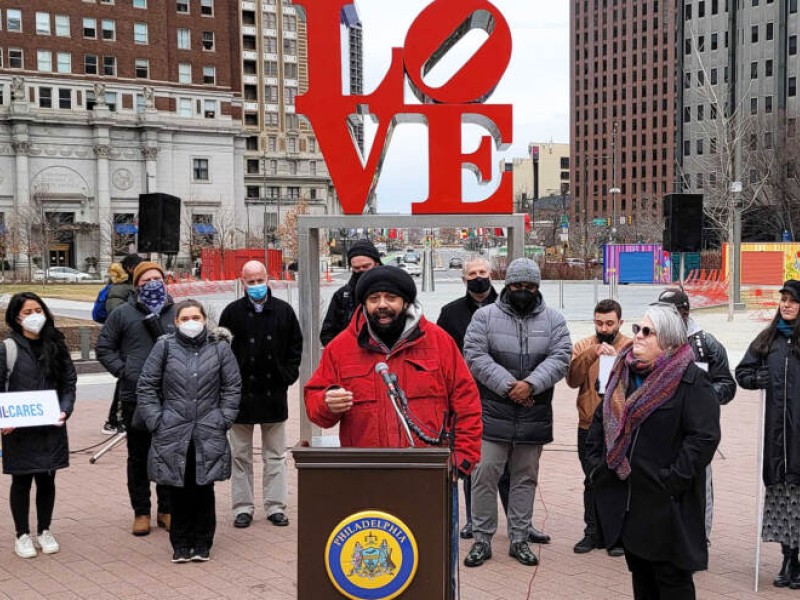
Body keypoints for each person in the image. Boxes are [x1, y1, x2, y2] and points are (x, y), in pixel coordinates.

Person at [304, 265, 482, 596]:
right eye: (373, 299)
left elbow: (467, 404)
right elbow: (315, 404)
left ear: (406, 302)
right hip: (365, 478)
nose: (382, 305)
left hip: (430, 479)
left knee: (436, 565)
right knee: (375, 574)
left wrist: (462, 461)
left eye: (391, 298)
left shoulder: (439, 343)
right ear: (363, 304)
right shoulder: (341, 348)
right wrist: (327, 402)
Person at [587, 304, 720, 599]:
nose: (638, 337)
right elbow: (601, 424)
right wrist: (598, 467)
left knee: (672, 582)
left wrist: (672, 479)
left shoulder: (690, 380)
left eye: (648, 332)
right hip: (631, 504)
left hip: (668, 504)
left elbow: (704, 438)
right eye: (637, 329)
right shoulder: (623, 372)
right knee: (642, 580)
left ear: (669, 341)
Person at [463, 258, 572, 567]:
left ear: (537, 288)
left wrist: (532, 385)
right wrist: (510, 385)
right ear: (507, 286)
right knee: (484, 474)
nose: (523, 291)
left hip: (533, 411)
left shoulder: (554, 319)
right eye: (517, 286)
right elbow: (473, 354)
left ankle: (520, 539)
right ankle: (482, 539)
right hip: (493, 410)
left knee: (525, 478)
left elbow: (561, 356)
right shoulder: (484, 317)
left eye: (529, 286)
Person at [136, 300, 241, 563]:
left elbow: (232, 387)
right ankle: (180, 543)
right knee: (177, 486)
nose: (191, 322)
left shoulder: (219, 348)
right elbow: (147, 385)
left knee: (204, 487)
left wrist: (224, 417)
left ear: (205, 319)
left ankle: (203, 541)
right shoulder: (164, 346)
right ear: (176, 322)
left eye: (196, 317)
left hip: (208, 428)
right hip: (172, 428)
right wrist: (156, 420)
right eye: (185, 318)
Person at [219, 261, 302, 529]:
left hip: (273, 393)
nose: (256, 285)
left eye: (259, 280)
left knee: (275, 455)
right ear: (242, 282)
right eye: (250, 281)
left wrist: (287, 376)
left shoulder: (284, 311)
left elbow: (295, 347)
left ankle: (275, 506)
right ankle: (242, 508)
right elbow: (222, 351)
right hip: (240, 397)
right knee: (240, 456)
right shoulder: (231, 313)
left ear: (269, 278)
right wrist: (229, 384)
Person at [96, 261, 176, 536]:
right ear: (136, 284)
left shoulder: (177, 311)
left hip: (171, 397)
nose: (152, 284)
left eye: (157, 278)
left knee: (167, 455)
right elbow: (104, 347)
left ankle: (167, 510)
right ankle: (141, 512)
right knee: (138, 457)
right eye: (145, 280)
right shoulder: (122, 314)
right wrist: (124, 371)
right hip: (136, 396)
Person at [1, 292, 77, 559]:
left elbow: (68, 382)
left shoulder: (56, 344)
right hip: (18, 428)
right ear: (16, 317)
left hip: (50, 426)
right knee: (21, 481)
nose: (34, 316)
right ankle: (22, 534)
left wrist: (65, 410)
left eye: (38, 310)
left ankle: (44, 529)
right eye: (27, 312)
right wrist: (4, 419)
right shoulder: (7, 348)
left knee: (47, 479)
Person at [656, 287, 735, 541]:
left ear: (685, 312)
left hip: (695, 429)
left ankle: (700, 535)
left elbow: (727, 384)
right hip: (661, 427)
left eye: (670, 313)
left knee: (698, 480)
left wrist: (702, 398)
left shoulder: (706, 344)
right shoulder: (652, 339)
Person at [736, 280, 800, 589]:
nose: (786, 305)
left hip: (799, 436)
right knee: (781, 498)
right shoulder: (768, 340)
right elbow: (743, 371)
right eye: (783, 300)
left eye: (793, 301)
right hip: (776, 440)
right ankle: (789, 557)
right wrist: (755, 378)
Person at [436, 256, 497, 540]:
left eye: (482, 272)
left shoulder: (508, 307)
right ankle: (473, 519)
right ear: (464, 279)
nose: (478, 277)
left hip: (502, 395)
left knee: (506, 466)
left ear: (492, 274)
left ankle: (519, 523)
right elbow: (440, 356)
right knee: (470, 460)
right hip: (465, 398)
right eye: (472, 273)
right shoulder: (450, 314)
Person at [566, 299, 630, 556]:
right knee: (592, 478)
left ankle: (616, 536)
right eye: (599, 323)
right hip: (588, 424)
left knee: (619, 479)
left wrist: (618, 361)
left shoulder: (631, 346)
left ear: (620, 323)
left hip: (621, 425)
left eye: (609, 323)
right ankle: (591, 532)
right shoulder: (583, 345)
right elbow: (572, 379)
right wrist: (592, 353)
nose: (604, 329)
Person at [101, 254, 144, 435]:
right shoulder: (119, 290)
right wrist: (122, 369)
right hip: (125, 348)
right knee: (124, 386)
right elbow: (114, 319)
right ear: (132, 269)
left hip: (137, 347)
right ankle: (115, 420)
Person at [320, 239, 382, 346]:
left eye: (366, 266)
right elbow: (328, 334)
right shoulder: (342, 295)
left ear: (376, 264)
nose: (361, 270)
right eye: (356, 268)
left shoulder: (394, 291)